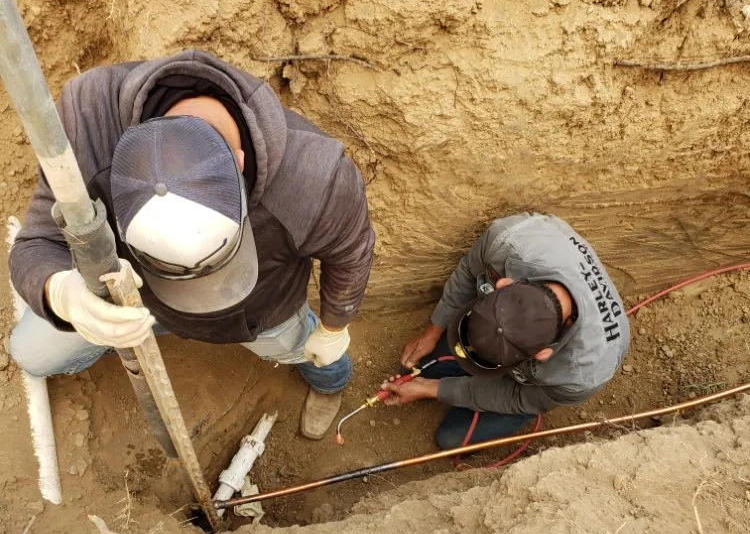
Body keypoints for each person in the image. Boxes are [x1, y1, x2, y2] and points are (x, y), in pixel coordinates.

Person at [9, 50, 375, 439]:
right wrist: (62, 295)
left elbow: (350, 255)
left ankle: (330, 382)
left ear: (238, 162)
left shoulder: (317, 177)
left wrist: (335, 328)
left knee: (307, 348)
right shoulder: (87, 120)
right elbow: (37, 243)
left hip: (258, 312)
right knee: (31, 353)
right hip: (135, 299)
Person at [382, 213, 630, 449]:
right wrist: (434, 330)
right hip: (529, 259)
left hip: (529, 389)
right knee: (416, 366)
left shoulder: (581, 375)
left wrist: (432, 389)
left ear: (541, 355)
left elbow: (516, 396)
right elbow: (469, 271)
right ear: (504, 283)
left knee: (451, 438)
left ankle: (510, 408)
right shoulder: (510, 239)